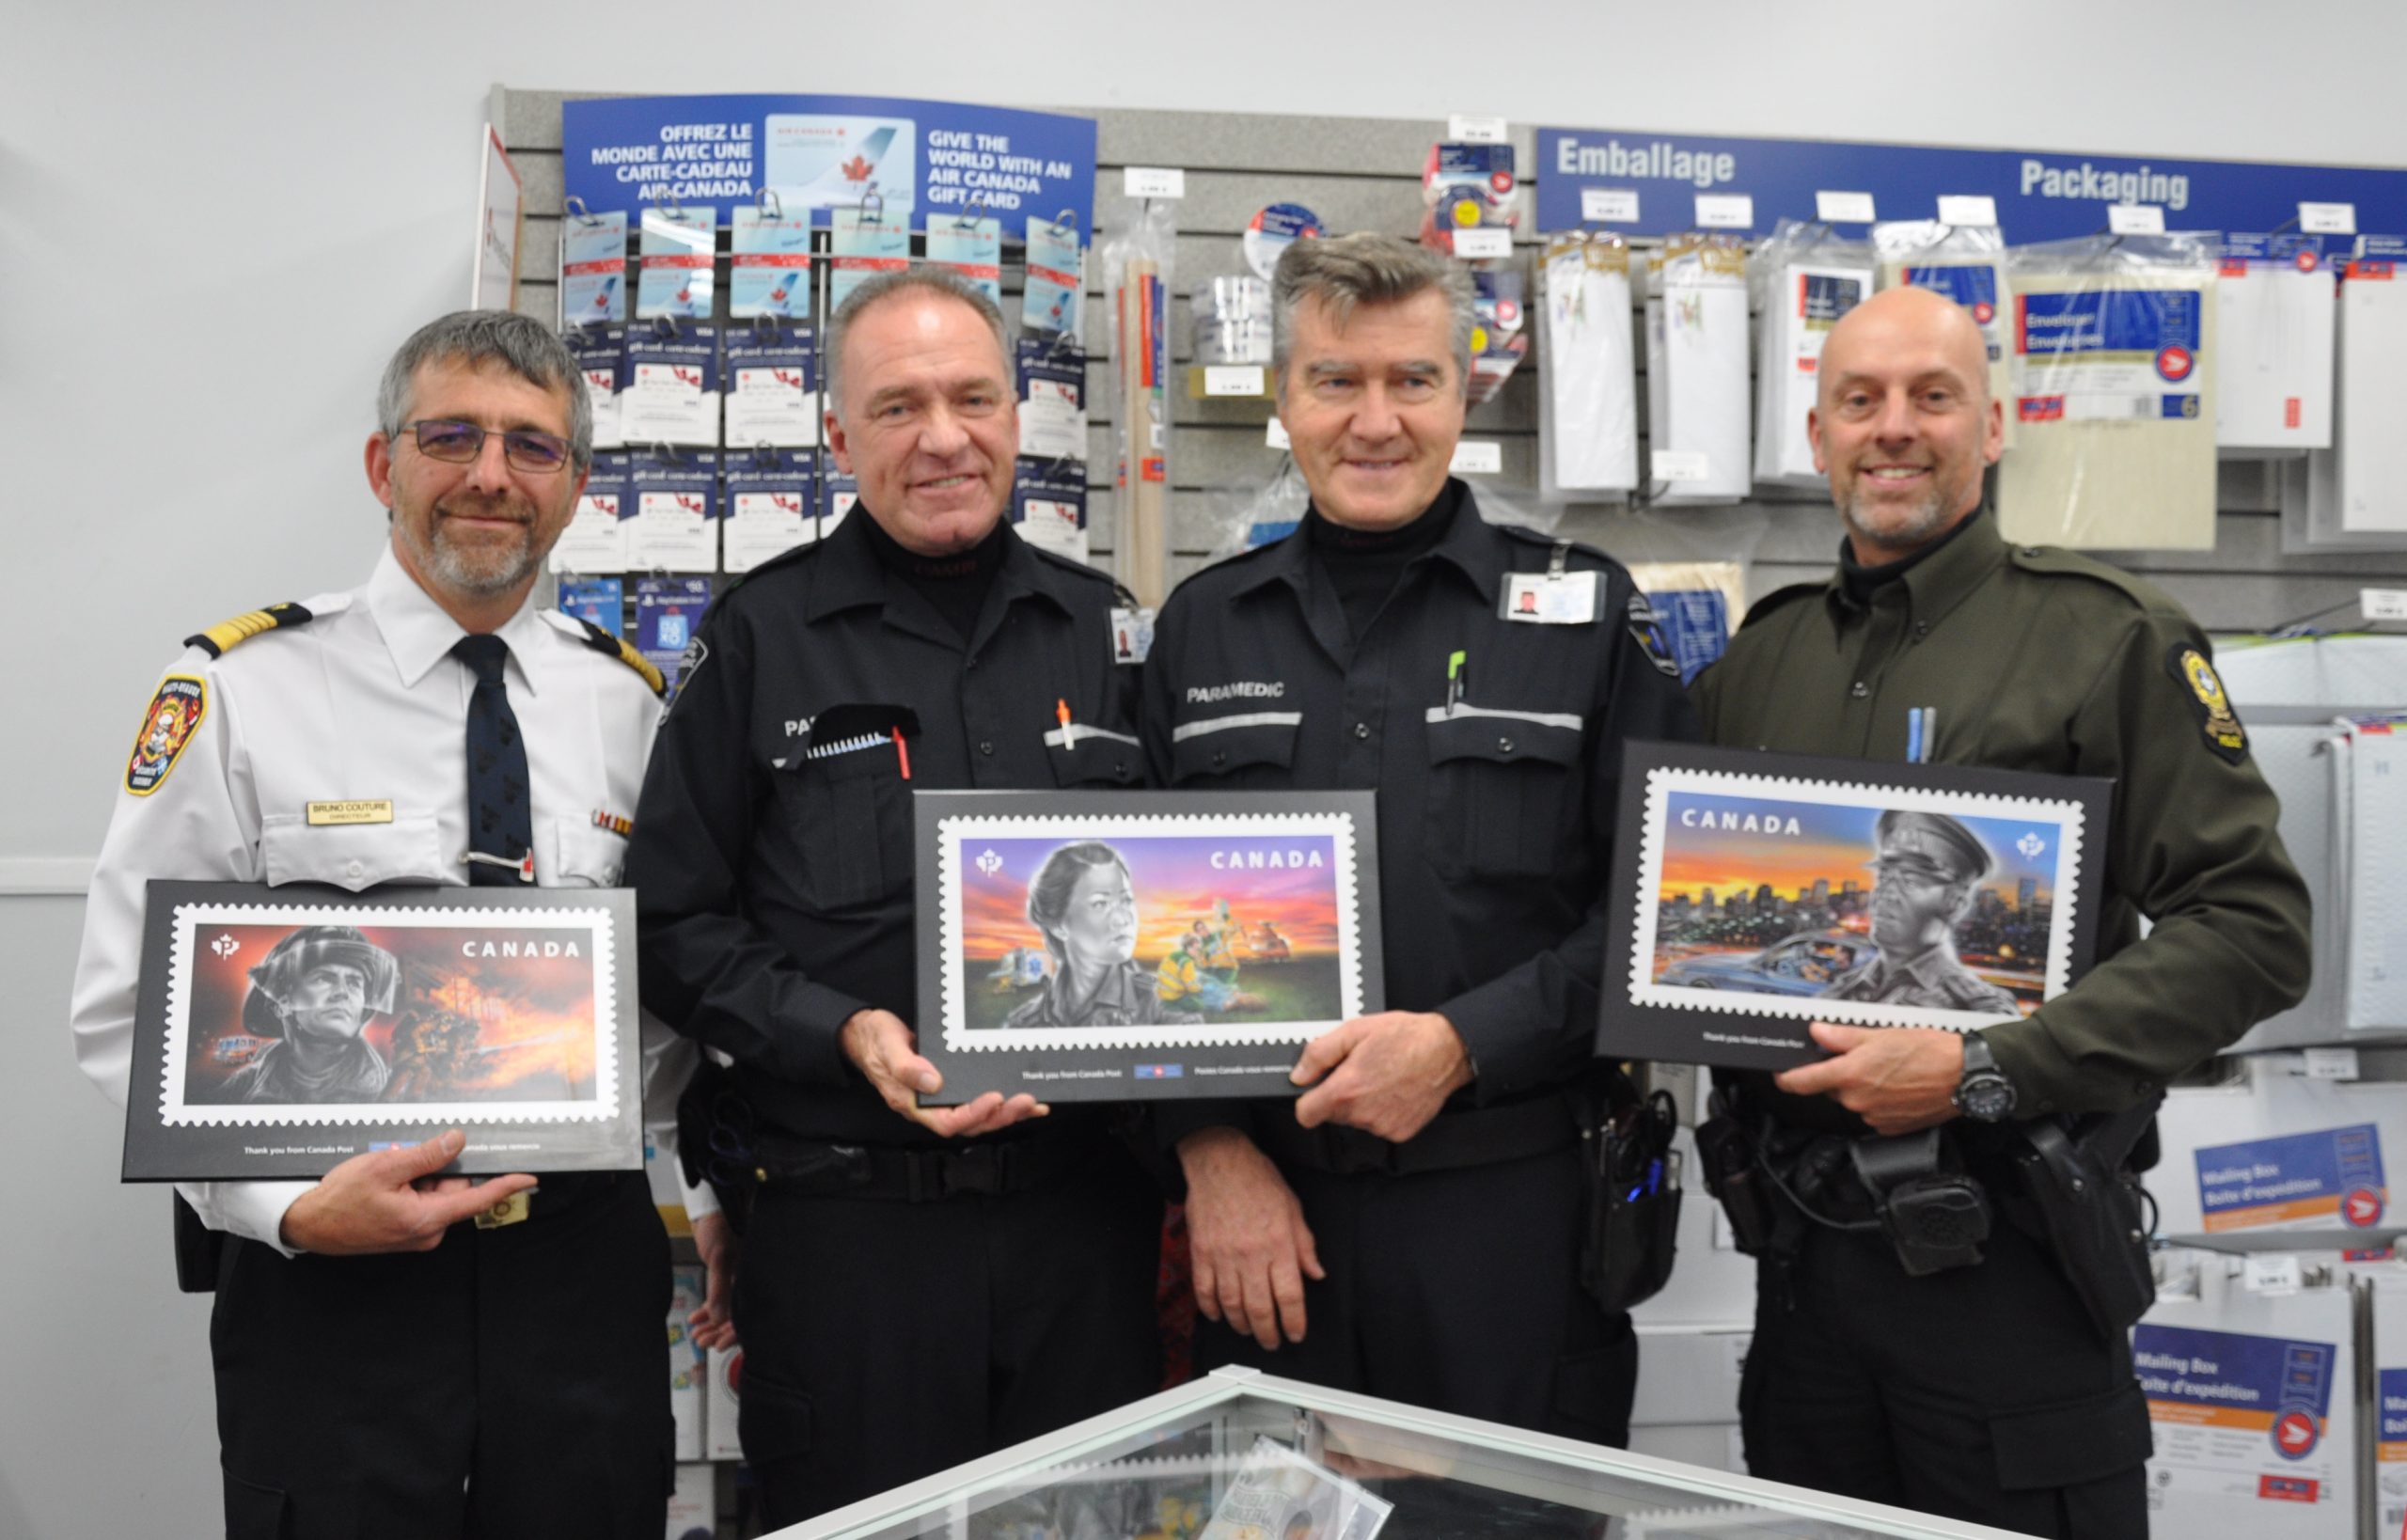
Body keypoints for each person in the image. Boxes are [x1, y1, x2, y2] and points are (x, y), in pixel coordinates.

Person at [1692, 283, 2311, 1536]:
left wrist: (1986, 1066)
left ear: (1993, 425)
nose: (1893, 427)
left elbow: (2252, 929)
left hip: (2007, 1271)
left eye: (1933, 396)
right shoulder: (1761, 658)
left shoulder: (2105, 636)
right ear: (1816, 435)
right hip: (1802, 1274)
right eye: (1859, 400)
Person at [70, 309, 688, 1539]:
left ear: (575, 487)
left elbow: (668, 1000)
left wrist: (705, 1195)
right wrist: (285, 1208)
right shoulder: (240, 689)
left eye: (532, 446)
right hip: (331, 1275)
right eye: (451, 436)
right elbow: (129, 1006)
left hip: (578, 1272)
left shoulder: (636, 707)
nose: (491, 474)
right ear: (381, 464)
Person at [1140, 233, 1696, 1441]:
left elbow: (1667, 923)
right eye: (1336, 380)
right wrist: (1208, 1150)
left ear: (1464, 392)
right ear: (1282, 398)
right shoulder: (1203, 628)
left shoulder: (1586, 614)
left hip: (1511, 1218)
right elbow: (1139, 938)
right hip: (1268, 1225)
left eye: (1413, 380)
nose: (1376, 421)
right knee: (1275, 1518)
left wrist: (1460, 1045)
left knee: (1510, 1519)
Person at [627, 267, 1160, 1525]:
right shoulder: (758, 638)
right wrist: (839, 1030)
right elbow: (668, 924)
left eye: (972, 398)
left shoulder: (1110, 634)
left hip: (1083, 1227)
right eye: (897, 406)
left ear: (1018, 415)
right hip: (846, 1243)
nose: (942, 437)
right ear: (836, 436)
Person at [1823, 809, 2021, 1014]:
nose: (1885, 894)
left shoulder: (1981, 1007)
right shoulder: (1843, 989)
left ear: (1955, 902)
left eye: (1910, 880)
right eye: (1883, 877)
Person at [1004, 841, 1200, 1028]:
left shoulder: (1165, 1004)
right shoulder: (1024, 1023)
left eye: (1126, 900)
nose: (1122, 919)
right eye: (1100, 904)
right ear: (1059, 925)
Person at [216, 926, 401, 1104]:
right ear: (281, 1003)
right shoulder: (242, 1089)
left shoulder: (394, 1091)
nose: (343, 992)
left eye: (354, 983)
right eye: (323, 978)